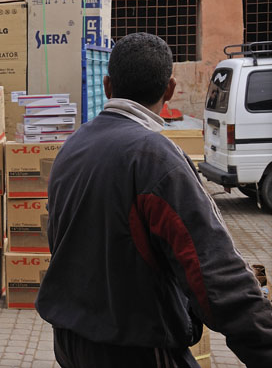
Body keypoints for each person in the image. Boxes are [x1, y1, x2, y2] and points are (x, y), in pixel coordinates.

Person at [35, 33, 272, 368]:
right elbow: (214, 273)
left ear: (107, 86)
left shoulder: (73, 148)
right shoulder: (156, 160)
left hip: (71, 343)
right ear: (171, 89)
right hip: (134, 349)